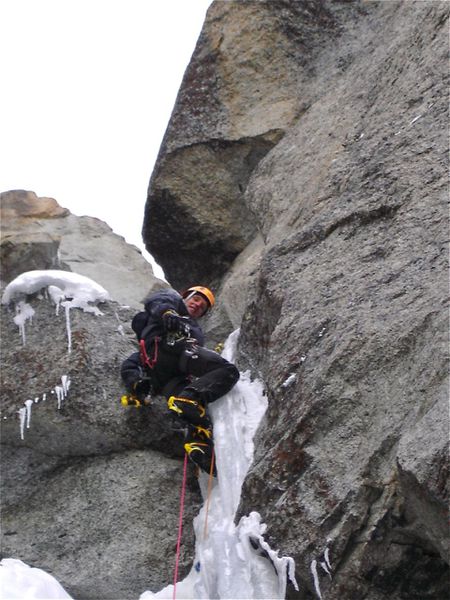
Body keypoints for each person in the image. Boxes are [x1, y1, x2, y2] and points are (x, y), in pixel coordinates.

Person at [121, 285, 239, 475]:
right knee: (227, 371)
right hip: (173, 351)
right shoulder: (171, 302)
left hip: (168, 375)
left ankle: (200, 447)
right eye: (196, 299)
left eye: (202, 307)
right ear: (185, 297)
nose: (197, 304)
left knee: (190, 412)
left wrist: (138, 384)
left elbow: (130, 365)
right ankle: (191, 397)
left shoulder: (192, 326)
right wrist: (169, 314)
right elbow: (158, 302)